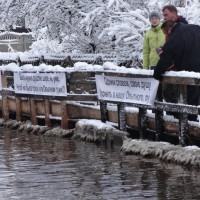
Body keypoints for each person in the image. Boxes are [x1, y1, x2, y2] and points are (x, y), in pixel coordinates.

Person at [153, 20, 200, 121]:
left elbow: (166, 58)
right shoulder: (195, 28)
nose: (166, 36)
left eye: (165, 33)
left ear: (169, 29)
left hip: (188, 70)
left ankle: (188, 124)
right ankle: (193, 120)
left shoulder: (174, 37)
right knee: (195, 97)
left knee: (187, 98)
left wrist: (157, 74)